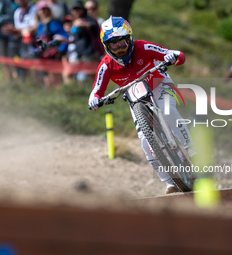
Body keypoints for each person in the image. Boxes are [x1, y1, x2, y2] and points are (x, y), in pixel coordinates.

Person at [88, 16, 195, 194]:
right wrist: (94, 100)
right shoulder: (106, 65)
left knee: (168, 112)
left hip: (159, 85)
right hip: (136, 98)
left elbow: (177, 55)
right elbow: (96, 91)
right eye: (113, 45)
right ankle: (169, 182)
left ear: (129, 39)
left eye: (122, 42)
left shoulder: (143, 46)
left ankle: (194, 152)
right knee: (146, 143)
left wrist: (173, 56)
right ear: (106, 46)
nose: (120, 48)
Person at [35, 0, 68, 88]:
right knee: (47, 80)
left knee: (55, 79)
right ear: (38, 12)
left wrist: (60, 51)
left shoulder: (53, 22)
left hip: (53, 55)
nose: (44, 12)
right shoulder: (40, 25)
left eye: (46, 9)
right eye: (42, 10)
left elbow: (64, 37)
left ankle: (59, 98)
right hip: (43, 56)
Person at [2, 0, 37, 81]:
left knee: (34, 63)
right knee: (20, 62)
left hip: (33, 41)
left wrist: (15, 30)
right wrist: (11, 31)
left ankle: (38, 83)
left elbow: (33, 28)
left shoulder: (34, 9)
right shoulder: (17, 12)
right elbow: (20, 30)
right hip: (21, 42)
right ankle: (26, 82)